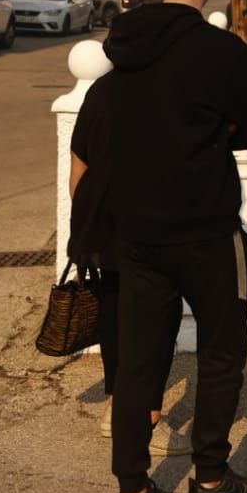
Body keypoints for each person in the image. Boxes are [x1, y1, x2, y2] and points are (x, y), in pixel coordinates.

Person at [92, 0, 247, 493]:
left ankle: (133, 492)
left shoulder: (122, 44)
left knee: (140, 361)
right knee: (222, 352)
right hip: (205, 226)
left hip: (137, 230)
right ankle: (212, 481)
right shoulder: (221, 53)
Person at [69, 76, 189, 460]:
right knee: (160, 312)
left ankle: (116, 404)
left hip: (103, 219)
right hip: (149, 222)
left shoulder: (101, 89)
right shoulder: (164, 89)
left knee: (114, 306)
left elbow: (79, 165)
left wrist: (87, 218)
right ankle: (148, 415)